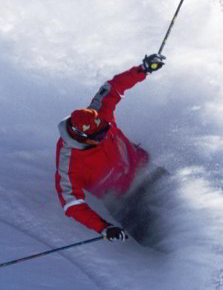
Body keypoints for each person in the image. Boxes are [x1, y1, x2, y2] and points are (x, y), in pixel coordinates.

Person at [55, 54, 166, 242]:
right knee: (156, 237)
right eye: (99, 135)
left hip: (143, 171)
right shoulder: (69, 163)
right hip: (124, 201)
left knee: (180, 199)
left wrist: (142, 69)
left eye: (104, 127)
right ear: (84, 139)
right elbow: (71, 203)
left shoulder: (101, 114)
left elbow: (113, 86)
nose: (105, 133)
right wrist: (103, 228)